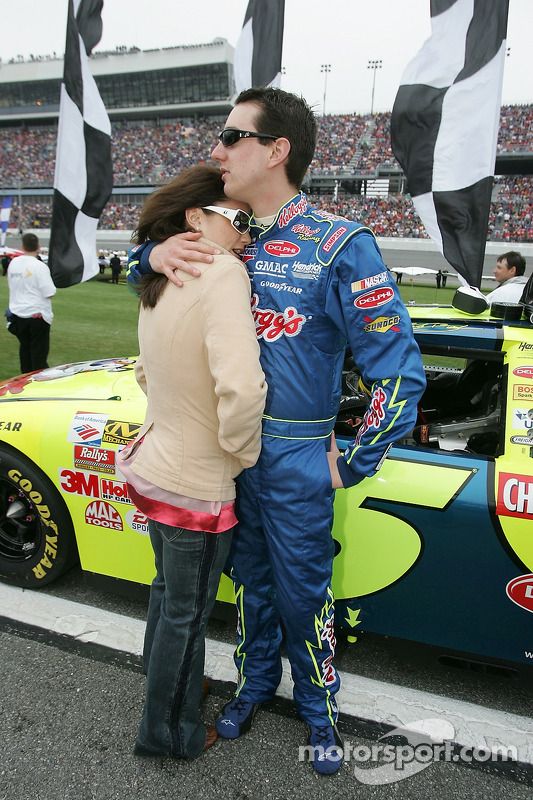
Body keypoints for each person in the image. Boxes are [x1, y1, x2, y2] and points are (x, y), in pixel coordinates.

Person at [126, 87, 426, 775]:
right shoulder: (215, 237)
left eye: (232, 137)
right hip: (221, 460)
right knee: (250, 590)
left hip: (294, 456)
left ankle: (320, 711)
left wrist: (351, 462)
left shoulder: (339, 243)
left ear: (275, 150)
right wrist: (149, 256)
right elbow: (149, 293)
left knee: (301, 594)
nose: (217, 149)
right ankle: (253, 684)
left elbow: (398, 371)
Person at [118, 165, 267, 761]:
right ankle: (168, 732)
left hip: (157, 459)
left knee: (168, 599)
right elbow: (243, 389)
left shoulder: (166, 271)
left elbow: (144, 370)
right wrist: (238, 456)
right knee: (185, 614)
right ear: (194, 218)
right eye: (238, 219)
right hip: (196, 478)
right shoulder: (220, 271)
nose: (246, 233)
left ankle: (173, 691)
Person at [7, 232, 56, 373]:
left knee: (25, 351)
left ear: (22, 246)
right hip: (37, 314)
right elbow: (49, 292)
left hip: (18, 313)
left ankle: (25, 381)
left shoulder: (14, 263)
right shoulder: (39, 266)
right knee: (38, 355)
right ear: (38, 247)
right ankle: (38, 385)